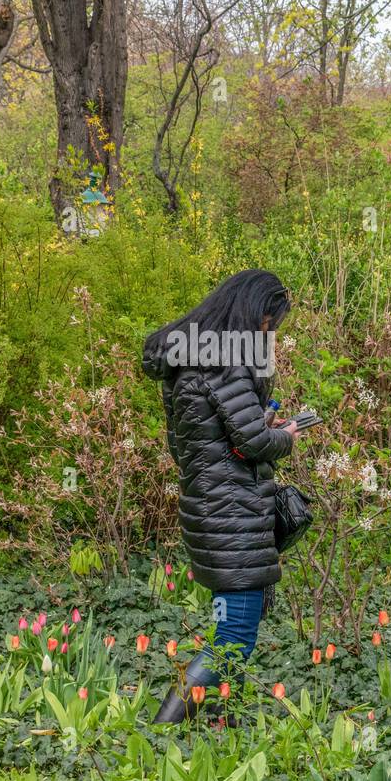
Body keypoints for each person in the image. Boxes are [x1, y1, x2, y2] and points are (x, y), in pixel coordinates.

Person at [141, 269, 301, 723]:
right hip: (232, 517)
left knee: (232, 629)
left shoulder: (188, 364)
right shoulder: (226, 363)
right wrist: (285, 434)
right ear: (252, 314)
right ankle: (162, 733)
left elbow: (197, 445)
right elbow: (253, 443)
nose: (268, 335)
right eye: (269, 324)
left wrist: (254, 433)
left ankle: (210, 720)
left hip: (210, 510)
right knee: (233, 634)